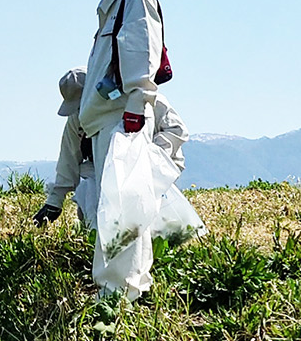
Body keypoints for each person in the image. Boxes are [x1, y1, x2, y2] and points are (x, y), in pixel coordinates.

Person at [67, 0, 171, 296]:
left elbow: (140, 52)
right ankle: (130, 287)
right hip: (106, 117)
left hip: (122, 117)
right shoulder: (115, 1)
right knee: (121, 204)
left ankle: (116, 291)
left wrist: (137, 105)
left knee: (120, 207)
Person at [34, 67, 189, 230]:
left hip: (154, 166)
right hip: (103, 169)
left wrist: (150, 157)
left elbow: (177, 130)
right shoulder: (76, 120)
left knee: (147, 212)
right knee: (89, 194)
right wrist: (54, 202)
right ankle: (97, 234)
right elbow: (69, 158)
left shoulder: (142, 98)